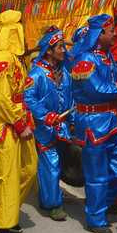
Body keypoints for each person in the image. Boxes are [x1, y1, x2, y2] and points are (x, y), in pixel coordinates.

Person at [70, 14, 117, 233]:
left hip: (114, 122)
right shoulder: (84, 59)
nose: (115, 33)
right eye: (109, 31)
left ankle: (100, 203)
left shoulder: (106, 56)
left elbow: (108, 81)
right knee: (96, 174)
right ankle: (96, 218)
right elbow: (96, 89)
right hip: (93, 123)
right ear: (99, 35)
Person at [0, 10, 37, 233]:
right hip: (5, 124)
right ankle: (5, 224)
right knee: (7, 176)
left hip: (20, 118)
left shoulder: (15, 58)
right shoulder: (1, 59)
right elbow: (1, 97)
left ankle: (6, 209)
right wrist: (18, 123)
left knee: (29, 169)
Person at [24, 26, 74, 222]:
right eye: (60, 47)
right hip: (45, 128)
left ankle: (49, 194)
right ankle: (52, 204)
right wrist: (46, 116)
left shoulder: (65, 72)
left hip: (62, 127)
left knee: (57, 163)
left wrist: (71, 120)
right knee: (51, 163)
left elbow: (70, 99)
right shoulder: (36, 74)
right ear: (49, 50)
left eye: (64, 46)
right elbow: (29, 99)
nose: (64, 50)